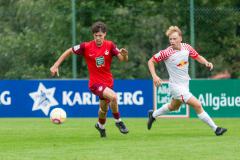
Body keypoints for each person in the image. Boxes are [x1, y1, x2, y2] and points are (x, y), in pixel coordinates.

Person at [50, 21, 129, 138]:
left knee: (103, 109)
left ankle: (100, 126)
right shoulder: (86, 46)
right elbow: (69, 51)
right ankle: (119, 122)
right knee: (114, 97)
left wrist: (125, 54)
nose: (98, 38)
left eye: (100, 36)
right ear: (93, 35)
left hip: (108, 82)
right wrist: (56, 65)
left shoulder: (110, 45)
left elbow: (122, 59)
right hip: (95, 84)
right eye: (96, 35)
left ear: (105, 35)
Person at [147, 26, 227, 136]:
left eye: (174, 38)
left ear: (180, 38)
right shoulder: (166, 52)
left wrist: (206, 62)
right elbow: (150, 61)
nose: (172, 41)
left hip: (185, 84)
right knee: (197, 104)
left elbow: (197, 56)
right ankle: (216, 129)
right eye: (170, 39)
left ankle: (153, 115)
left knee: (173, 107)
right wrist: (155, 76)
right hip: (175, 86)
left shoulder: (186, 47)